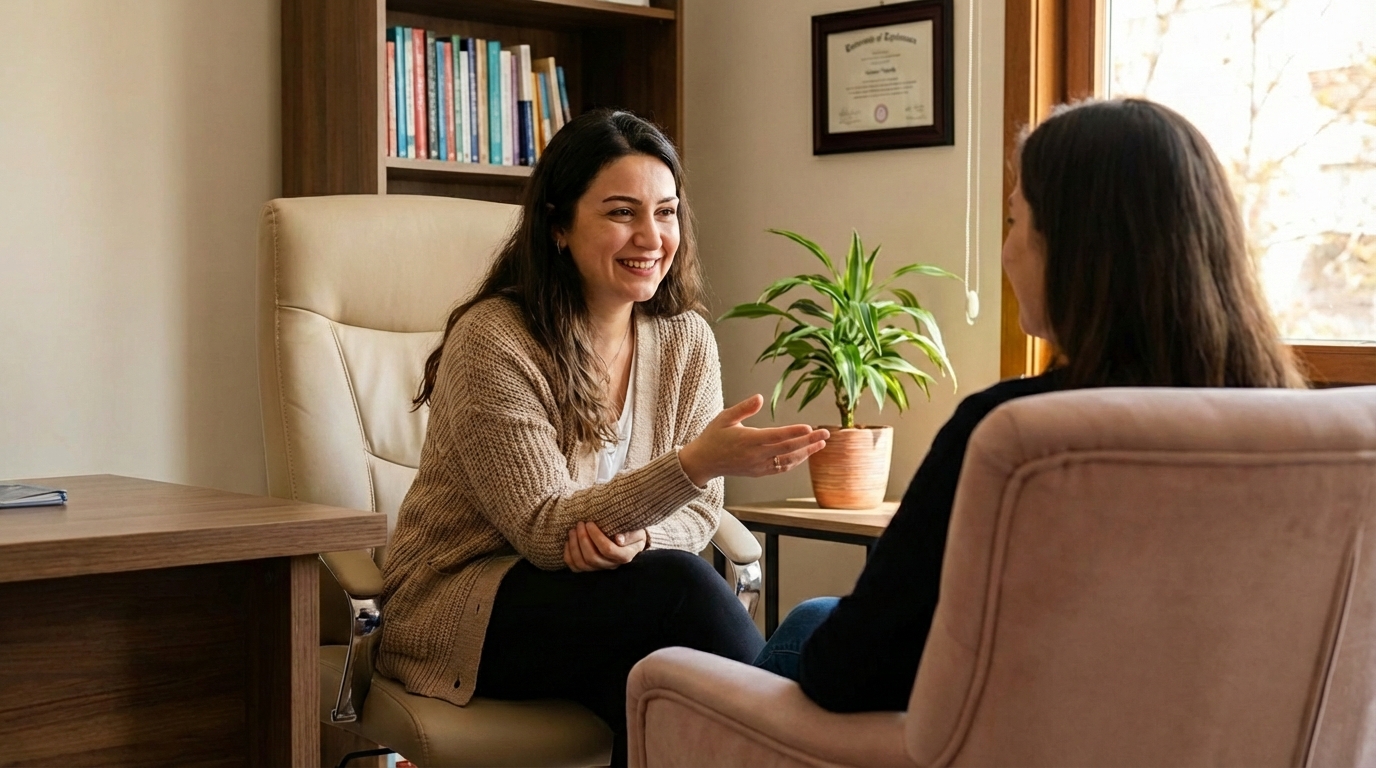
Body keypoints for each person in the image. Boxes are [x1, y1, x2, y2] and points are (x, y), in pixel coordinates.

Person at [752, 98, 1307, 712]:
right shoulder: (1299, 434)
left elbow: (849, 669)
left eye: (1016, 221)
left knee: (800, 631)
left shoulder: (1015, 433)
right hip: (1218, 730)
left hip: (1026, 737)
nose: (1007, 250)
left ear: (1075, 250)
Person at [375, 109, 828, 766]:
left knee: (668, 686)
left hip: (603, 603)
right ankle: (787, 742)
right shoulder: (495, 340)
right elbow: (544, 528)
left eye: (666, 213)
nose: (651, 236)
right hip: (462, 605)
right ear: (558, 226)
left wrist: (639, 536)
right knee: (677, 593)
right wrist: (691, 465)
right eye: (621, 213)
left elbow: (700, 511)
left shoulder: (685, 341)